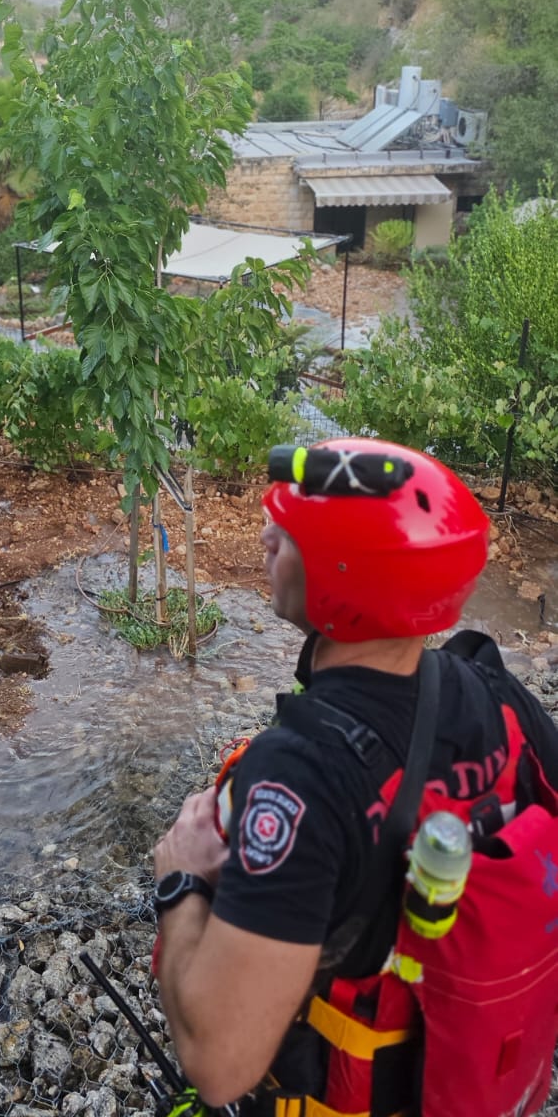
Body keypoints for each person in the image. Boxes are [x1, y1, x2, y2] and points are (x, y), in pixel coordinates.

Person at [152, 438, 558, 1117]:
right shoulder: (497, 692)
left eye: (288, 538)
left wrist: (180, 880)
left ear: (343, 580)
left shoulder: (300, 775)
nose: (266, 540)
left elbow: (219, 1067)